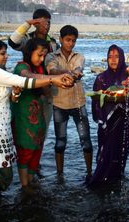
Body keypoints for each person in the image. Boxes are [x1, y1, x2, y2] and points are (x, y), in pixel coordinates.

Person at [0, 38, 73, 205]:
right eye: (2, 54)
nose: (6, 57)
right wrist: (53, 79)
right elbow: (25, 80)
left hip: (0, 129)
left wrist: (16, 94)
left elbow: (10, 96)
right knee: (3, 175)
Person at [87, 44, 129, 188]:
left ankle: (117, 180)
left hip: (125, 123)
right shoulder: (101, 78)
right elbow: (95, 102)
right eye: (110, 56)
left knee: (121, 153)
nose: (113, 60)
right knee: (105, 152)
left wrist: (127, 95)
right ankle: (101, 180)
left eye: (117, 56)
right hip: (107, 125)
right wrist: (104, 110)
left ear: (123, 58)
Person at [45, 25, 93, 177]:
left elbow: (79, 69)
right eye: (67, 40)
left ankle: (90, 172)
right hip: (59, 104)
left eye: (73, 41)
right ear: (60, 39)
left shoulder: (79, 56)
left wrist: (75, 73)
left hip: (78, 103)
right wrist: (69, 73)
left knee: (85, 140)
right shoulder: (51, 56)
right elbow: (51, 71)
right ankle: (60, 174)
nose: (71, 43)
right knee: (60, 141)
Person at [11, 38, 55, 190]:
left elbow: (47, 93)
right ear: (29, 53)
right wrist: (52, 79)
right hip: (24, 121)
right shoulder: (21, 67)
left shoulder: (39, 70)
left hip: (38, 121)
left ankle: (30, 184)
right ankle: (25, 188)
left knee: (36, 153)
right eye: (39, 55)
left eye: (44, 55)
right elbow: (27, 76)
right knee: (25, 152)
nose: (42, 59)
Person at [8, 8, 59, 131]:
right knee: (26, 124)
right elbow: (12, 41)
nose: (47, 26)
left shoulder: (52, 44)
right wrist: (28, 24)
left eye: (49, 23)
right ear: (36, 23)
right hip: (28, 86)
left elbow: (56, 62)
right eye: (43, 22)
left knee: (43, 126)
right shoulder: (27, 40)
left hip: (46, 87)